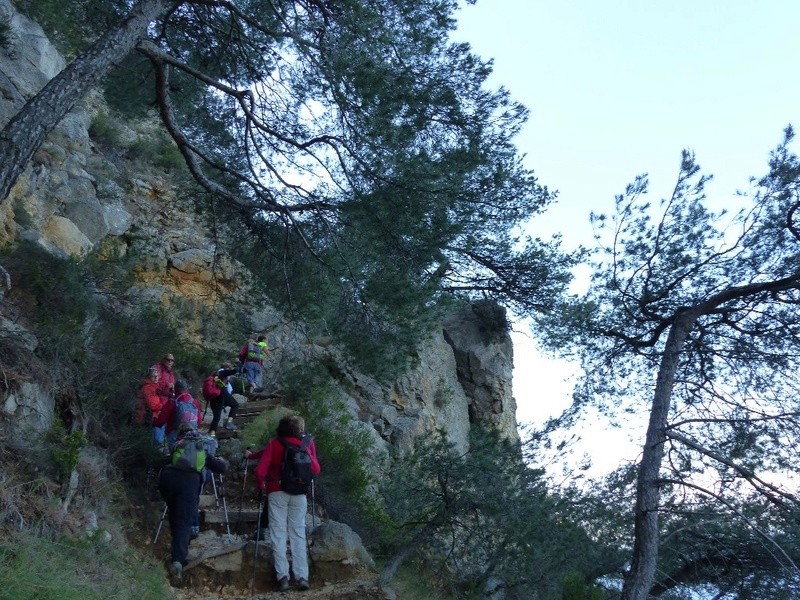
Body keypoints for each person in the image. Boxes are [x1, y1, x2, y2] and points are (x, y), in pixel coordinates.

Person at [248, 415, 320, 592]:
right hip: (299, 493)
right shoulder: (305, 444)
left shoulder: (274, 444)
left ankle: (283, 578)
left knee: (278, 534)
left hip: (276, 491)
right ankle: (302, 576)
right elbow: (316, 469)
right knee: (298, 534)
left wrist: (262, 486)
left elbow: (260, 471)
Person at [158, 422, 227, 586]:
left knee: (175, 512)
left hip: (167, 479)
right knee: (183, 522)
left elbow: (164, 460)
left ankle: (177, 546)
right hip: (188, 483)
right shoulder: (200, 447)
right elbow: (220, 468)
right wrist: (223, 461)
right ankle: (178, 562)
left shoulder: (178, 444)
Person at [153, 379, 203, 449]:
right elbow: (199, 420)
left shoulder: (172, 402)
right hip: (191, 430)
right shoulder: (194, 401)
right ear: (186, 389)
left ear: (175, 389)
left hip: (174, 432)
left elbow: (162, 419)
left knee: (174, 452)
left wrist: (155, 422)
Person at [204, 364, 240, 435]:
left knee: (216, 417)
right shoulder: (222, 372)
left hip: (213, 398)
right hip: (222, 394)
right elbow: (234, 371)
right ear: (226, 368)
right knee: (235, 405)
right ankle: (229, 423)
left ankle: (212, 434)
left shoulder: (213, 375)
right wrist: (238, 366)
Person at [135, 366, 166, 445]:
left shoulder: (154, 386)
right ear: (149, 377)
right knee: (155, 442)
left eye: (157, 375)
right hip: (148, 418)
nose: (156, 378)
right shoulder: (148, 388)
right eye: (153, 376)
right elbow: (153, 406)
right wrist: (163, 405)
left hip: (149, 417)